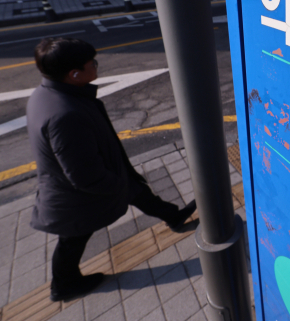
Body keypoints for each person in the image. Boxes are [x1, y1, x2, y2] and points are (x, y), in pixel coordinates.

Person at [26, 37, 196, 302]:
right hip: (74, 197)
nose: (96, 65)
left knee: (137, 192)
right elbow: (85, 176)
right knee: (73, 237)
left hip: (88, 178)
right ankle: (64, 285)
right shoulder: (65, 114)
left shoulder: (47, 93)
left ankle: (173, 216)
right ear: (74, 74)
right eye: (91, 63)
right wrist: (118, 185)